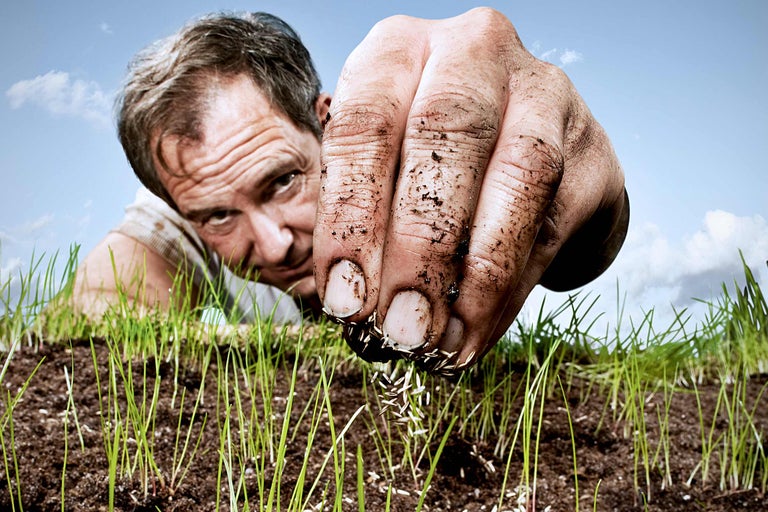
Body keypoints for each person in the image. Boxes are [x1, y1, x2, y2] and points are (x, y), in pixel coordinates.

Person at [70, 8, 629, 373]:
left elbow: (580, 252)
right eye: (218, 215)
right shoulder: (180, 212)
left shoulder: (422, 168)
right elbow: (91, 329)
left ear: (327, 124)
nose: (271, 245)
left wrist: (595, 201)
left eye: (283, 180)